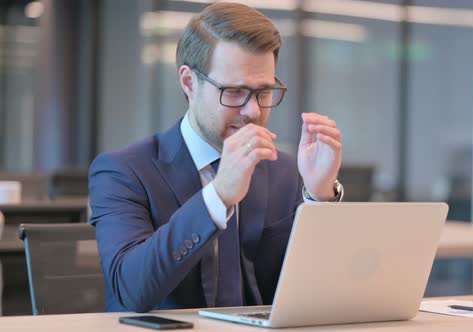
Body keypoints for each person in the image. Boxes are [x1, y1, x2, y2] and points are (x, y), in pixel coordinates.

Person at [89, 2, 343, 313]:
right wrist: (218, 195)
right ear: (189, 82)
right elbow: (130, 292)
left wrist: (317, 199)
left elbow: (314, 293)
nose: (252, 111)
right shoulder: (123, 172)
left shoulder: (286, 171)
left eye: (264, 92)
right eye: (234, 92)